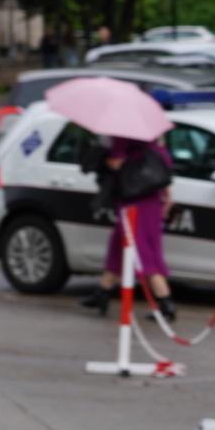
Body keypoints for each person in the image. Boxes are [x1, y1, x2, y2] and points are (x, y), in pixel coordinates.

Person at [79, 135, 176, 320]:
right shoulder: (153, 139)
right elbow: (164, 170)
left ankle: (166, 302)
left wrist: (103, 160)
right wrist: (168, 197)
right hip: (152, 201)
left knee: (143, 252)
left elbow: (117, 164)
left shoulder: (122, 137)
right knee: (118, 245)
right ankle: (103, 292)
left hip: (134, 203)